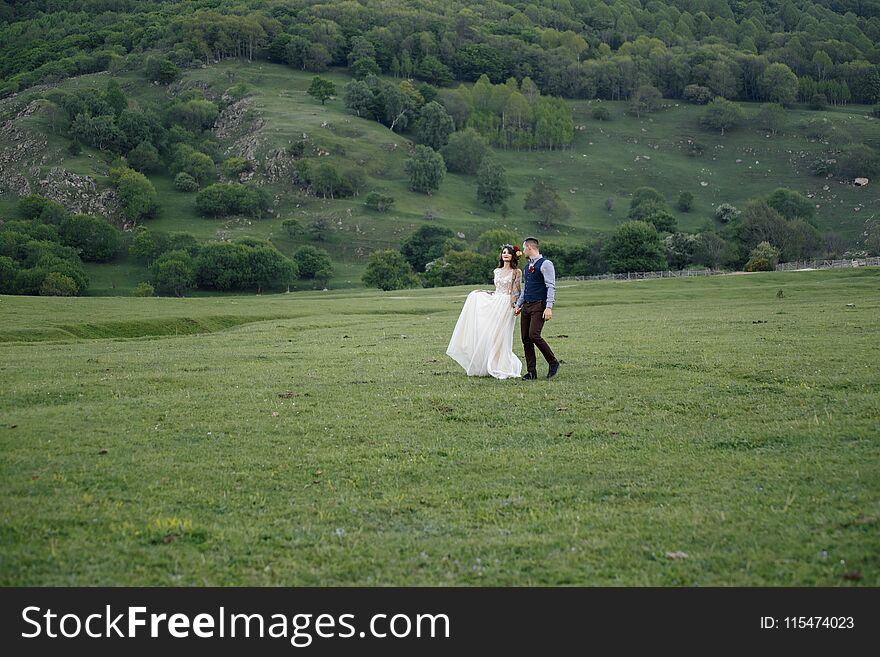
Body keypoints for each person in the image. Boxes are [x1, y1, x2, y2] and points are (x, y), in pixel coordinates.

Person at [446, 245, 523, 379]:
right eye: (503, 252)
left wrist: (516, 305)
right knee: (491, 334)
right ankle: (488, 363)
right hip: (495, 302)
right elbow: (497, 289)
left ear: (513, 256)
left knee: (503, 336)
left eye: (508, 253)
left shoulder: (516, 272)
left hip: (506, 304)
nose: (505, 255)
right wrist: (484, 292)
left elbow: (517, 291)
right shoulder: (497, 271)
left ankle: (503, 366)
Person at [514, 237, 561, 380]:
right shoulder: (527, 266)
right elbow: (526, 288)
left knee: (534, 335)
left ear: (529, 248)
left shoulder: (546, 264)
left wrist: (548, 307)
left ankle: (553, 362)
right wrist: (519, 305)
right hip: (527, 305)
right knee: (526, 339)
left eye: (524, 248)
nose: (522, 251)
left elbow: (550, 286)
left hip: (539, 305)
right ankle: (531, 372)